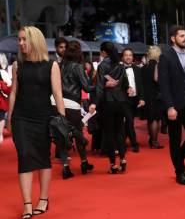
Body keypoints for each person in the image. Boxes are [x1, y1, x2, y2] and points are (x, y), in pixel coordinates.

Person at [7, 26, 65, 219]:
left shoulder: (51, 65)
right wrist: (9, 117)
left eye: (25, 39)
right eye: (20, 39)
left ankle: (43, 199)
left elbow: (58, 94)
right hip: (21, 117)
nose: (21, 43)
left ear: (35, 41)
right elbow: (14, 91)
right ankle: (27, 204)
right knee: (24, 156)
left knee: (42, 158)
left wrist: (62, 120)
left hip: (43, 117)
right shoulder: (17, 65)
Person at [158, 25, 185, 185]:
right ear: (173, 38)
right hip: (174, 105)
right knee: (175, 139)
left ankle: (178, 157)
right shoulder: (166, 57)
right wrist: (169, 106)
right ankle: (180, 171)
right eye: (182, 36)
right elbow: (164, 84)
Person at [89, 42, 130, 174]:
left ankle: (113, 165)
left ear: (103, 52)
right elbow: (126, 84)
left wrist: (95, 102)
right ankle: (123, 159)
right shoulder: (120, 65)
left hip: (108, 102)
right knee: (120, 131)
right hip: (121, 102)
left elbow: (100, 87)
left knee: (110, 134)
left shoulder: (102, 66)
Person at [57, 41, 95, 178]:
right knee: (78, 133)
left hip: (57, 103)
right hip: (72, 103)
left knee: (62, 135)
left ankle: (65, 168)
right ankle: (84, 163)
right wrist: (101, 84)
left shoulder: (60, 65)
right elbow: (87, 87)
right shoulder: (78, 67)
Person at [121, 48, 145, 152]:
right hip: (124, 99)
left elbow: (141, 86)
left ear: (132, 57)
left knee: (129, 121)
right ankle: (134, 143)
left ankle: (123, 141)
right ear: (122, 57)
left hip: (135, 99)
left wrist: (142, 98)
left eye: (130, 55)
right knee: (129, 120)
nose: (128, 57)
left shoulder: (138, 69)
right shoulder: (119, 69)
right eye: (126, 55)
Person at [141, 46, 164, 149]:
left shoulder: (143, 67)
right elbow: (157, 79)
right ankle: (154, 141)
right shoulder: (157, 65)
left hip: (146, 96)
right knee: (156, 119)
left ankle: (152, 140)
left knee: (150, 119)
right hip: (155, 96)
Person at [0, 53, 11, 143]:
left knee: (1, 117)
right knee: (1, 117)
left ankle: (0, 134)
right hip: (2, 100)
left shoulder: (3, 73)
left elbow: (8, 88)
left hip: (1, 100)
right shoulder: (4, 73)